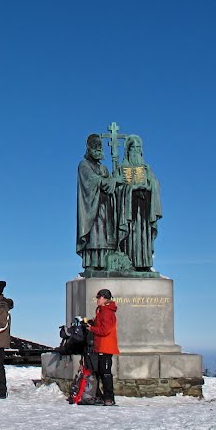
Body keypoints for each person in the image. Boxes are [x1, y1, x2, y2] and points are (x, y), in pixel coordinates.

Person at [115, 135, 162, 271]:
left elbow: (154, 184)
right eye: (133, 148)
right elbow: (116, 189)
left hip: (145, 206)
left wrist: (150, 185)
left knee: (143, 235)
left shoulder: (146, 168)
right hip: (129, 207)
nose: (135, 151)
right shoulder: (122, 168)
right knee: (131, 234)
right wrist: (130, 188)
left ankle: (144, 264)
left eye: (138, 148)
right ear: (128, 151)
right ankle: (130, 263)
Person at [77, 134, 118, 271]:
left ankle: (104, 262)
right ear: (89, 149)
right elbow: (92, 180)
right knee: (94, 234)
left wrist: (115, 181)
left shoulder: (103, 168)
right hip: (92, 206)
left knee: (106, 235)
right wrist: (111, 181)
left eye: (100, 149)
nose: (98, 152)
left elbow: (111, 185)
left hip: (105, 206)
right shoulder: (84, 165)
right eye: (95, 148)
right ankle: (92, 262)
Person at [86, 288, 118, 406]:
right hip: (100, 346)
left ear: (105, 299)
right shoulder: (101, 311)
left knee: (105, 373)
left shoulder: (107, 312)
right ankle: (101, 396)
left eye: (99, 297)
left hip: (106, 346)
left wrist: (92, 329)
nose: (97, 300)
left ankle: (109, 398)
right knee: (99, 372)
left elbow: (105, 330)